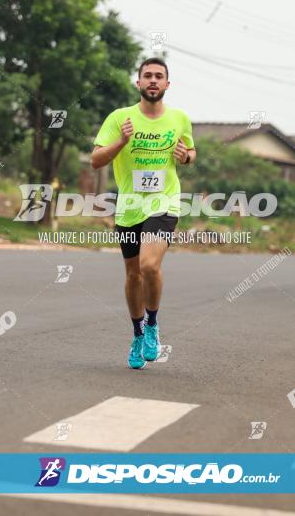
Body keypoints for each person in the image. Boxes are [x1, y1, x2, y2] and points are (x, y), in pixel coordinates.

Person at [91, 58, 196, 369]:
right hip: (130, 207)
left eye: (159, 76)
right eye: (147, 76)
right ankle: (137, 333)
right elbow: (96, 160)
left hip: (164, 203)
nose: (153, 80)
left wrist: (186, 157)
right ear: (138, 83)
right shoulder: (119, 118)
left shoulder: (179, 119)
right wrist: (122, 141)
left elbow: (190, 150)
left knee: (150, 265)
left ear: (167, 84)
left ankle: (152, 325)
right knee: (133, 274)